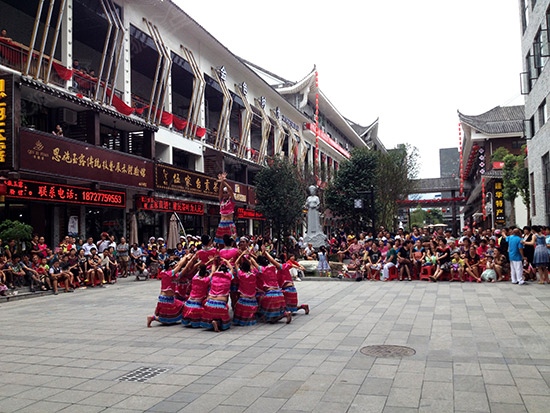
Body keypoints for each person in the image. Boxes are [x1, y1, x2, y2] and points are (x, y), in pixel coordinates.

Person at [147, 257, 194, 327]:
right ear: (169, 267)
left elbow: (184, 268)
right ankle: (152, 318)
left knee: (182, 306)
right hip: (165, 299)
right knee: (166, 321)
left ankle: (186, 319)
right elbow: (180, 266)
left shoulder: (170, 274)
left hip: (170, 299)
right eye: (173, 266)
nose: (175, 267)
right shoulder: (168, 274)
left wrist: (192, 259)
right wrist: (185, 258)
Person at [214, 172, 236, 245]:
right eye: (224, 193)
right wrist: (221, 183)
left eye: (226, 193)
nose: (225, 194)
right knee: (221, 242)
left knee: (233, 240)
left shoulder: (232, 200)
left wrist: (224, 181)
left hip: (230, 224)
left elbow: (230, 190)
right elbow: (220, 192)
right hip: (222, 224)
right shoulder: (221, 201)